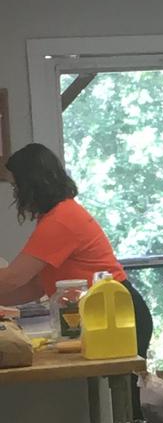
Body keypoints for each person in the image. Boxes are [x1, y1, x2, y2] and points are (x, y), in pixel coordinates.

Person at [0, 143, 153, 358]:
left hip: (117, 314)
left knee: (124, 387)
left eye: (18, 188)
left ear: (31, 186)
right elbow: (36, 286)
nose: (17, 195)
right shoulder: (59, 214)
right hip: (110, 312)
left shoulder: (60, 220)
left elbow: (14, 277)